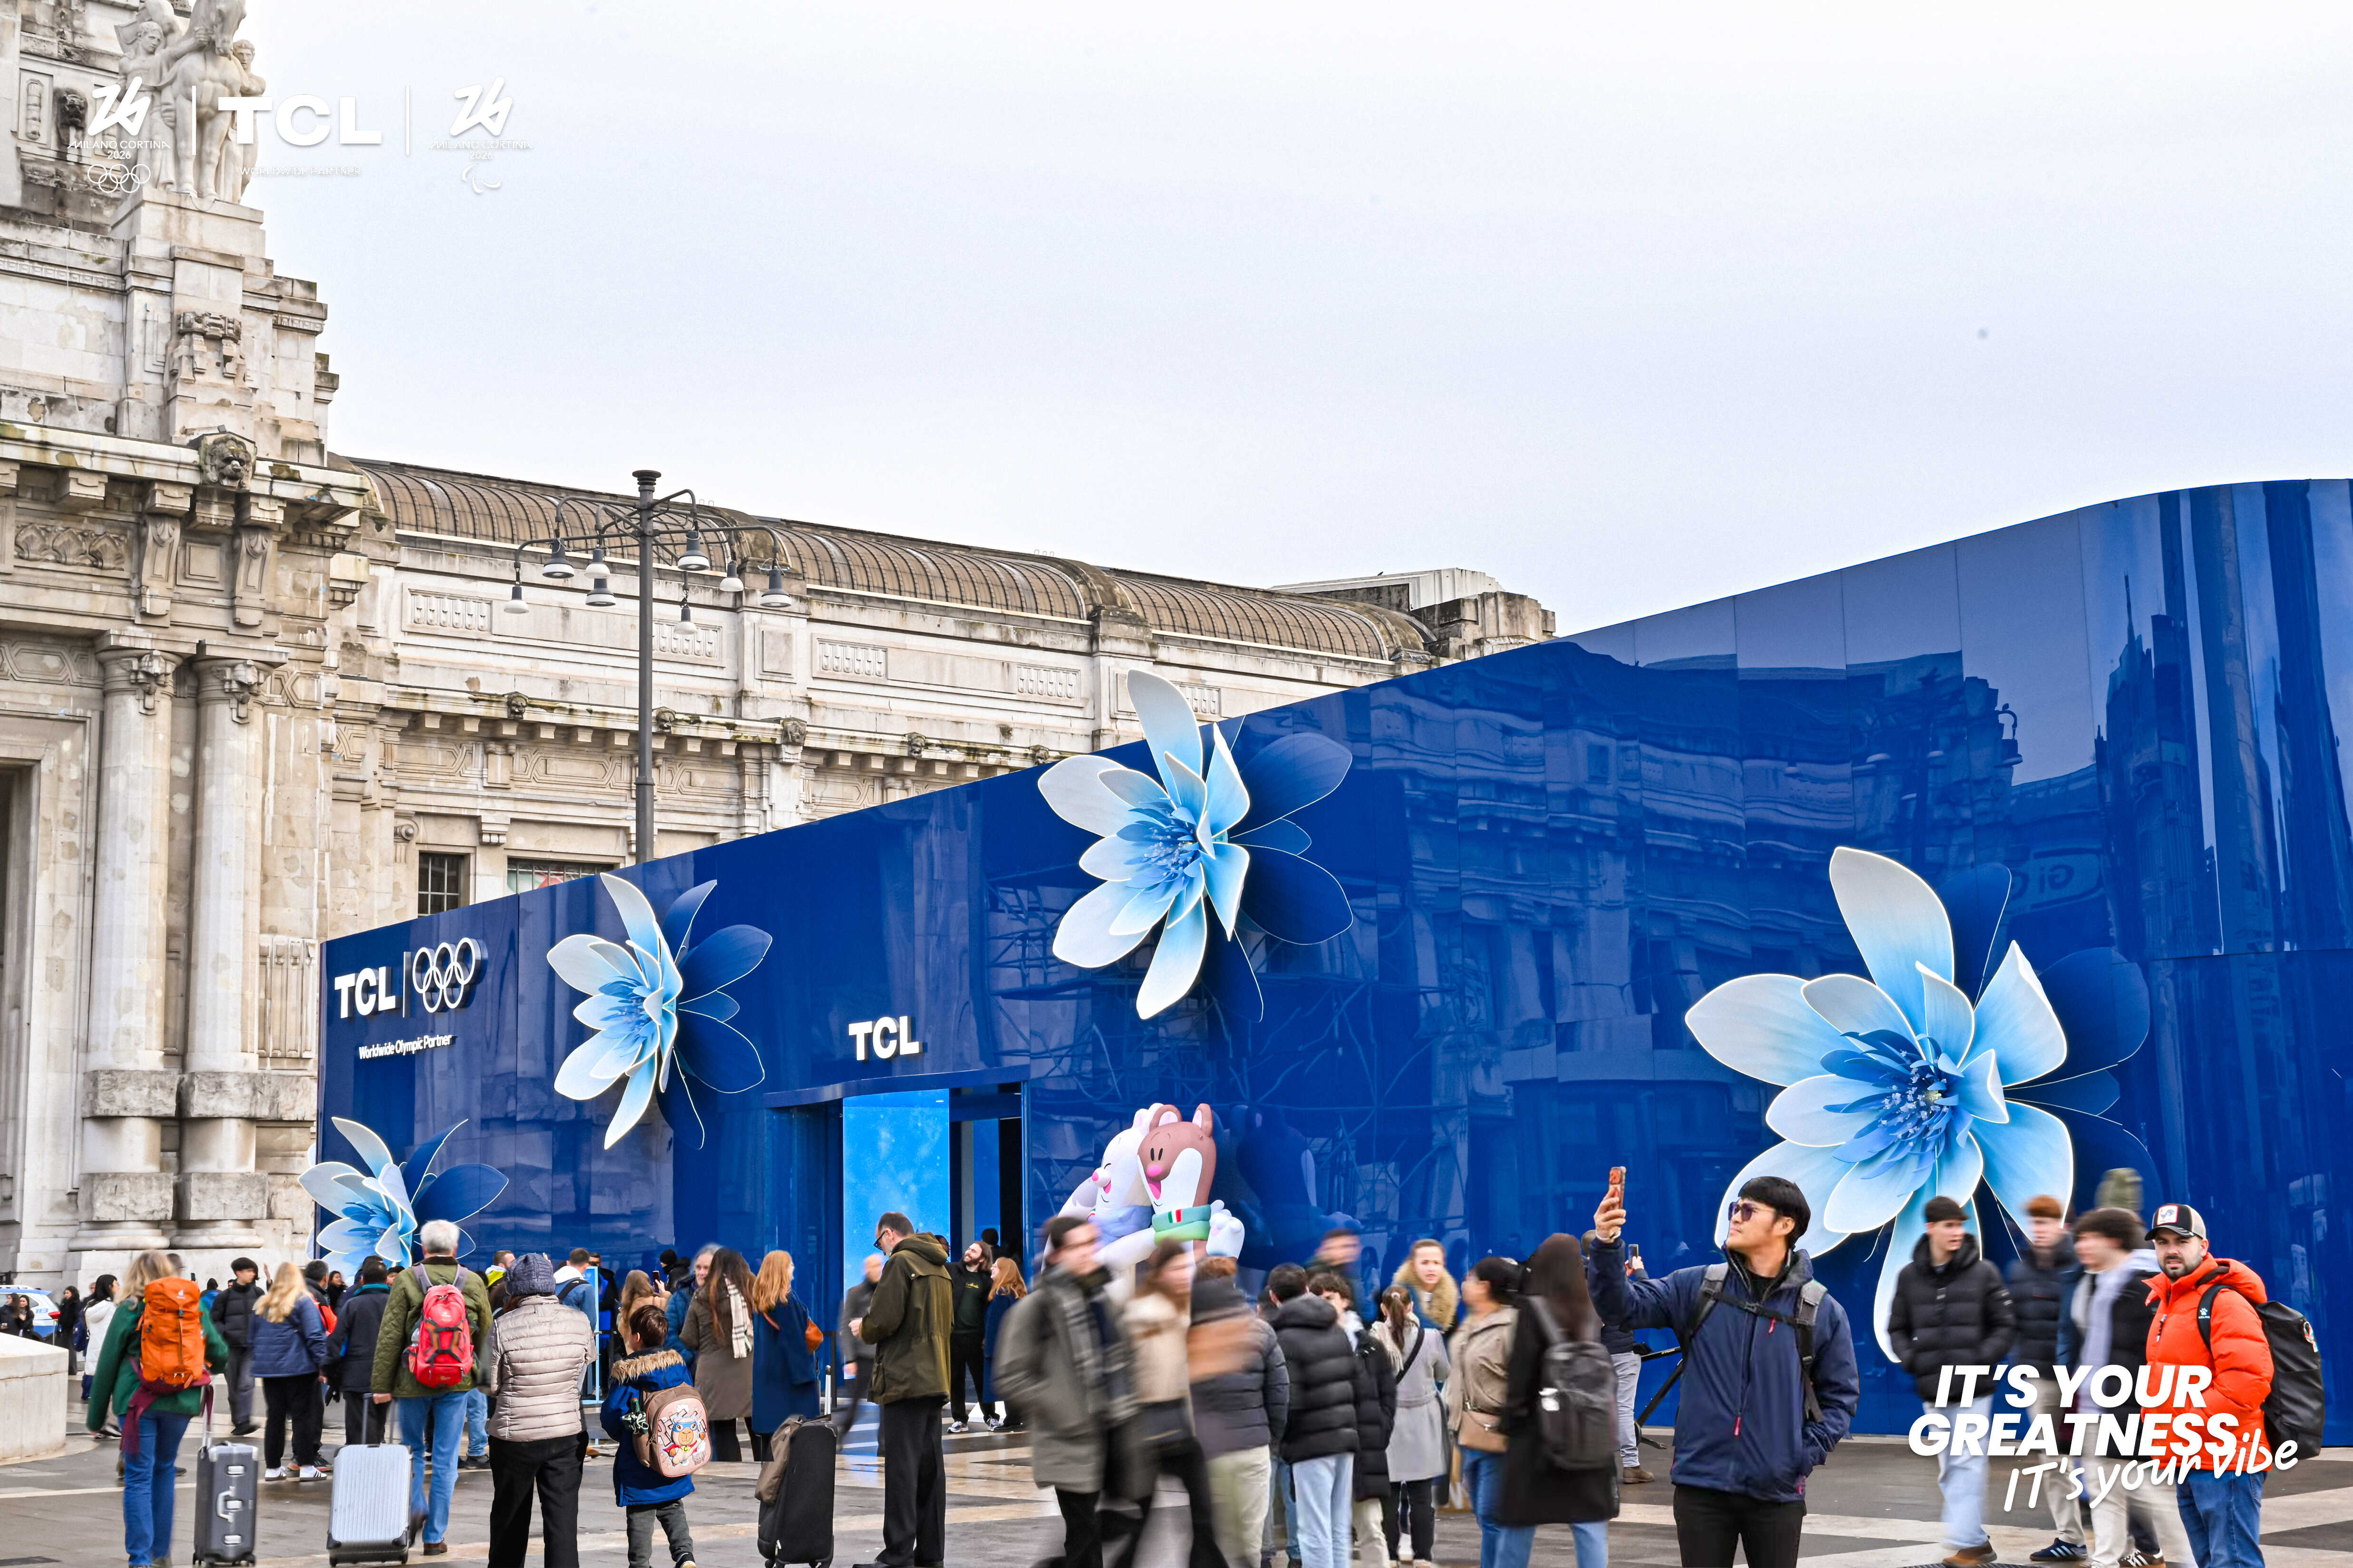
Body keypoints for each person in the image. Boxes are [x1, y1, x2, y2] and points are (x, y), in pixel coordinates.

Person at [1589, 1174, 1862, 1568]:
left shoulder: (1819, 1310)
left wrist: (1799, 1456)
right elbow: (1622, 1308)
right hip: (1701, 1488)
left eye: (1749, 1210)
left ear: (1785, 1225)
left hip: (1776, 1493)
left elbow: (1841, 1397)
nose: (1735, 1217)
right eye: (1736, 1208)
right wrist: (1606, 1243)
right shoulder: (1698, 1287)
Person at [998, 1214, 1142, 1568]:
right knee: (1084, 1535)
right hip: (1068, 1438)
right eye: (1078, 1246)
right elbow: (1011, 1375)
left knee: (1119, 1523)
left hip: (1110, 1433)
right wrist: (1064, 1407)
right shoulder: (1038, 1307)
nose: (1087, 1252)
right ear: (1058, 1255)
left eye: (1091, 1243)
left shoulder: (1101, 1299)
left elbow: (1122, 1356)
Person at [2054, 1207, 2192, 1568]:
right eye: (2079, 1240)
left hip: (2131, 1409)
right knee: (2104, 1492)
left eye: (2089, 1239)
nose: (2081, 1247)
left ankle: (2186, 1560)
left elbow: (2159, 1354)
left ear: (2113, 1240)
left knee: (2151, 1493)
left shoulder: (2142, 1288)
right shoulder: (2094, 1284)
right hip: (2094, 1407)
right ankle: (2105, 1561)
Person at [1889, 1196, 2019, 1568]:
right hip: (1934, 1387)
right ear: (1931, 1228)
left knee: (1967, 1461)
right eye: (1949, 1225)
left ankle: (1966, 1543)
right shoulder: (1909, 1276)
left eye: (1960, 1225)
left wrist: (1980, 1358)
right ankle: (1976, 1541)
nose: (1957, 1232)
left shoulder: (1984, 1273)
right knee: (1950, 1467)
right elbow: (1897, 1328)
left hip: (1975, 1388)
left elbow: (2005, 1325)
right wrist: (1913, 1360)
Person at [2143, 1202, 2274, 1568]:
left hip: (2226, 1460)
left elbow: (2247, 1382)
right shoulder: (2167, 1303)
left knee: (2233, 1562)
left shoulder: (2223, 1301)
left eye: (2181, 1241)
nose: (2171, 1250)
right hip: (2189, 1457)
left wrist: (2187, 1423)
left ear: (2203, 1246)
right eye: (2162, 1242)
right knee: (2211, 1561)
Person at [88, 1249, 229, 1568]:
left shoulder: (130, 1308)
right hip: (181, 1400)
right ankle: (160, 1553)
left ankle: (140, 1559)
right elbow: (220, 1353)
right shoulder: (192, 1306)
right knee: (164, 1470)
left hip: (138, 1402)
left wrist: (96, 1418)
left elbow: (108, 1363)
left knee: (139, 1477)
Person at [370, 1218, 496, 1556]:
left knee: (411, 1450)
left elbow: (390, 1335)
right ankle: (435, 1536)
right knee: (446, 1458)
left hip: (413, 1379)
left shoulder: (408, 1279)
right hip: (457, 1381)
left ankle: (416, 1506)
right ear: (455, 1248)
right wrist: (485, 1380)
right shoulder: (471, 1281)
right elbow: (486, 1334)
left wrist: (382, 1385)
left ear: (423, 1248)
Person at [1497, 1235, 1616, 1568]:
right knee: (1590, 1524)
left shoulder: (1532, 1310)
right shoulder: (1589, 1310)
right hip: (1587, 1436)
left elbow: (1520, 1380)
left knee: (1519, 1523)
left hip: (1539, 1439)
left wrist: (1509, 1424)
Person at [485, 1252, 596, 1568]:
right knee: (563, 1525)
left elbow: (488, 1385)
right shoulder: (579, 1321)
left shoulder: (502, 1326)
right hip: (566, 1434)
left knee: (510, 1521)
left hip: (515, 1437)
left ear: (514, 1289)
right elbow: (585, 1366)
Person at [1121, 1239, 1225, 1568]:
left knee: (1204, 1515)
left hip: (1183, 1425)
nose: (1183, 1275)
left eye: (1186, 1269)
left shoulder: (1186, 1311)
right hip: (1146, 1430)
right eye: (1176, 1269)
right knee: (1139, 1521)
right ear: (1161, 1272)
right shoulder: (1141, 1314)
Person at [856, 1211, 952, 1568]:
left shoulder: (900, 1263)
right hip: (935, 1377)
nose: (881, 1250)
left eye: (879, 1242)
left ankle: (897, 1554)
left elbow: (884, 1319)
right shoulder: (940, 1266)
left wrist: (863, 1328)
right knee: (930, 1472)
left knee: (902, 1471)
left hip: (905, 1379)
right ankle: (931, 1555)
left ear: (889, 1234)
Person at [2004, 1193, 2090, 1563]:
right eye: (2035, 1223)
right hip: (2040, 1380)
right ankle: (2071, 1538)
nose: (2039, 1230)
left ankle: (2132, 1542)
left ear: (2064, 1226)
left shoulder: (2080, 1266)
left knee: (2100, 1456)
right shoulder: (2020, 1271)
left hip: (2080, 1379)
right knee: (2054, 1460)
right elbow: (2013, 1324)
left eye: (2047, 1222)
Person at [1194, 1255, 1287, 1568]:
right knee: (1249, 1540)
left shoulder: (1192, 1335)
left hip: (1211, 1453)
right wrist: (1270, 1438)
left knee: (1216, 1539)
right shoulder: (1261, 1332)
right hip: (1253, 1448)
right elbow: (1279, 1394)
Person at [1271, 1262, 1358, 1568]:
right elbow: (1354, 1382)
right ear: (1307, 1289)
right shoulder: (1336, 1329)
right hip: (1345, 1436)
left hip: (1310, 1442)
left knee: (1313, 1529)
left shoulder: (1283, 1338)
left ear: (1274, 1297)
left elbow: (1288, 1400)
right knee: (1338, 1527)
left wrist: (1281, 1442)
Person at [604, 1302, 699, 1568]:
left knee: (641, 1511)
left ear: (636, 1337)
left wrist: (627, 1434)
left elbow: (612, 1416)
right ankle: (685, 1556)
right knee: (673, 1505)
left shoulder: (628, 1373)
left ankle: (641, 1563)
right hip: (675, 1454)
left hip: (640, 1458)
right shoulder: (678, 1367)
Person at [1313, 1272, 1395, 1568]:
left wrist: (1380, 1431)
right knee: (1325, 1532)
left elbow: (1388, 1395)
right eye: (1317, 1300)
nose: (1323, 1305)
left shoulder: (1370, 1347)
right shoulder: (1308, 1344)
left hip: (1364, 1450)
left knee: (1371, 1528)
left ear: (1345, 1301)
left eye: (1329, 1298)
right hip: (1323, 1449)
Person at [1374, 1284, 1451, 1565]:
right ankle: (1423, 1556)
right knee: (1421, 1496)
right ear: (1411, 1307)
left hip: (1388, 1425)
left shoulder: (1374, 1339)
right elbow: (1444, 1372)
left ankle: (1390, 1555)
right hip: (1423, 1425)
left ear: (1383, 1309)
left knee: (1389, 1496)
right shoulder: (1431, 1338)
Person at [251, 1260, 332, 1481]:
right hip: (299, 1368)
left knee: (275, 1418)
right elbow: (314, 1336)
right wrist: (322, 1364)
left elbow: (252, 1338)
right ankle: (306, 1467)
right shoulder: (303, 1302)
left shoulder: (263, 1304)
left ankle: (273, 1468)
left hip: (270, 1371)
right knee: (303, 1417)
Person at [1585, 1228, 1654, 1485]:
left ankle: (1593, 1466)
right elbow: (1649, 1296)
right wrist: (1639, 1271)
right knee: (1624, 1409)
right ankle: (1631, 1465)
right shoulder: (1610, 1278)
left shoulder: (1586, 1277)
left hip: (1594, 1355)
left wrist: (1623, 1276)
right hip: (1622, 1353)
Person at [680, 1245, 757, 1462]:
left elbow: (689, 1338)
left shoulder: (702, 1296)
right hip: (748, 1370)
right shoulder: (751, 1296)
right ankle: (766, 1471)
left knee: (724, 1432)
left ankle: (732, 1472)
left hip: (713, 1374)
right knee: (758, 1428)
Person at [749, 1249, 822, 1462]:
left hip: (767, 1386)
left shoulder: (761, 1302)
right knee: (793, 1455)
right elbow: (795, 1346)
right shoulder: (786, 1302)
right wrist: (809, 1380)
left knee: (771, 1456)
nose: (793, 1269)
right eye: (790, 1265)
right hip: (790, 1389)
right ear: (781, 1270)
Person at [328, 1257, 394, 1446]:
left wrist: (330, 1369)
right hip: (387, 1375)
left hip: (355, 1375)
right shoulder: (394, 1304)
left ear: (363, 1280)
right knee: (379, 1422)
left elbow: (338, 1340)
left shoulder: (353, 1304)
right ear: (386, 1280)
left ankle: (361, 1459)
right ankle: (376, 1452)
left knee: (357, 1427)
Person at [211, 1256, 265, 1436]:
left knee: (246, 1384)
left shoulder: (258, 1293)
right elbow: (214, 1320)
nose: (252, 1274)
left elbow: (266, 1316)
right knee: (234, 1388)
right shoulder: (224, 1297)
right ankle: (238, 1421)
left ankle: (244, 1420)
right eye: (249, 1271)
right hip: (231, 1348)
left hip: (251, 1348)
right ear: (238, 1273)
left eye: (253, 1271)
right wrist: (226, 1331)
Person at [948, 1239, 997, 1432]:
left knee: (981, 1379)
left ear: (982, 1258)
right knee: (955, 1380)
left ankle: (991, 1417)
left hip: (976, 1337)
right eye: (969, 1249)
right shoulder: (952, 1271)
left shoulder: (986, 1281)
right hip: (954, 1336)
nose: (968, 1252)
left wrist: (987, 1336)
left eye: (973, 1251)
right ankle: (960, 1419)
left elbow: (990, 1310)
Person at [835, 1251, 885, 1436]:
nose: (877, 1270)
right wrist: (850, 1359)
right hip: (863, 1356)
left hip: (883, 1355)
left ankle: (884, 1444)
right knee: (855, 1403)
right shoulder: (855, 1293)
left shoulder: (886, 1291)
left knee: (886, 1403)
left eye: (879, 1266)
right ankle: (841, 1435)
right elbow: (845, 1325)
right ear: (866, 1269)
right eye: (873, 1266)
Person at [981, 1255, 1029, 1432]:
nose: (992, 1268)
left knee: (1007, 1384)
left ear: (1005, 1271)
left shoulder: (1002, 1294)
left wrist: (989, 1349)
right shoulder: (1016, 1293)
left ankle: (1013, 1419)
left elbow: (996, 1325)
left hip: (1003, 1349)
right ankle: (1016, 1418)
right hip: (1016, 1347)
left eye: (996, 1266)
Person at [1390, 1239, 1459, 1333]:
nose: (1431, 1269)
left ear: (1443, 1265)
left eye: (1436, 1263)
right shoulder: (1399, 1296)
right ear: (1413, 1266)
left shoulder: (1450, 1298)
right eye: (1425, 1263)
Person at [665, 1245, 712, 1371]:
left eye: (706, 1268)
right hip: (691, 1371)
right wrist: (692, 1359)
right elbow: (669, 1335)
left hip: (719, 1371)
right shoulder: (679, 1298)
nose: (701, 1273)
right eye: (699, 1268)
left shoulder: (727, 1297)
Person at [80, 1275, 117, 1415]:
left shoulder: (90, 1306)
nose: (119, 1287)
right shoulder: (113, 1306)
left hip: (95, 1348)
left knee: (98, 1389)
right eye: (116, 1284)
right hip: (110, 1350)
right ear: (110, 1287)